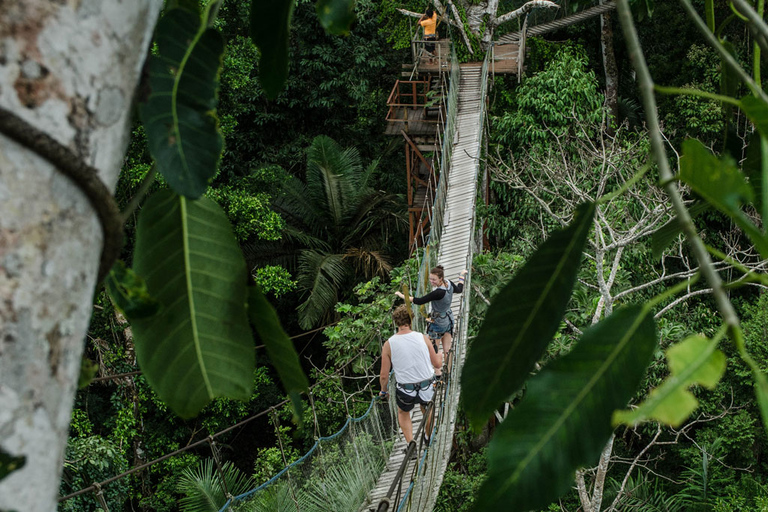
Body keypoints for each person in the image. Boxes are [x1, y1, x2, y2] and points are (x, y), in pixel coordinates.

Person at [379, 305, 442, 447]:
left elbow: (384, 375)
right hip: (426, 386)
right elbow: (437, 364)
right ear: (411, 320)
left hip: (405, 390)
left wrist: (384, 390)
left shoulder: (389, 344)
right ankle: (427, 436)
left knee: (402, 412)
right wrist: (440, 356)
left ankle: (411, 445)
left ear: (396, 323)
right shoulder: (423, 338)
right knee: (428, 408)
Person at [395, 266, 466, 375]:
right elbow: (459, 289)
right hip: (448, 319)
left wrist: (401, 295)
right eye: (430, 279)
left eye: (434, 279)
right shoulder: (449, 283)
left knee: (434, 349)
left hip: (437, 323)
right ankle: (449, 372)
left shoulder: (438, 293)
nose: (431, 281)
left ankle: (438, 375)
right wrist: (461, 276)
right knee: (447, 349)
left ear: (440, 278)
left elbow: (419, 301)